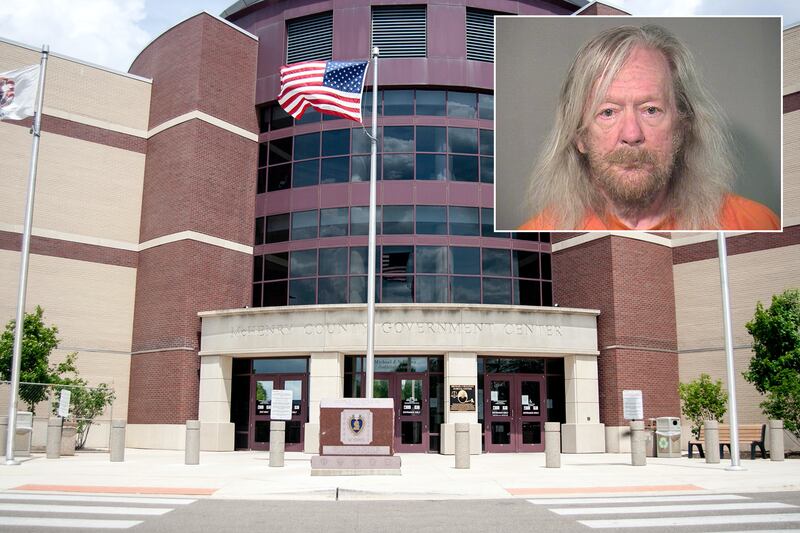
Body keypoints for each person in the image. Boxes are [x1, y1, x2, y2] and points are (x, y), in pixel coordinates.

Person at [518, 25, 779, 231]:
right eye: (608, 112)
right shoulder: (540, 229)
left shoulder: (755, 222)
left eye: (651, 110)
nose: (632, 135)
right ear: (579, 136)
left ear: (682, 125)